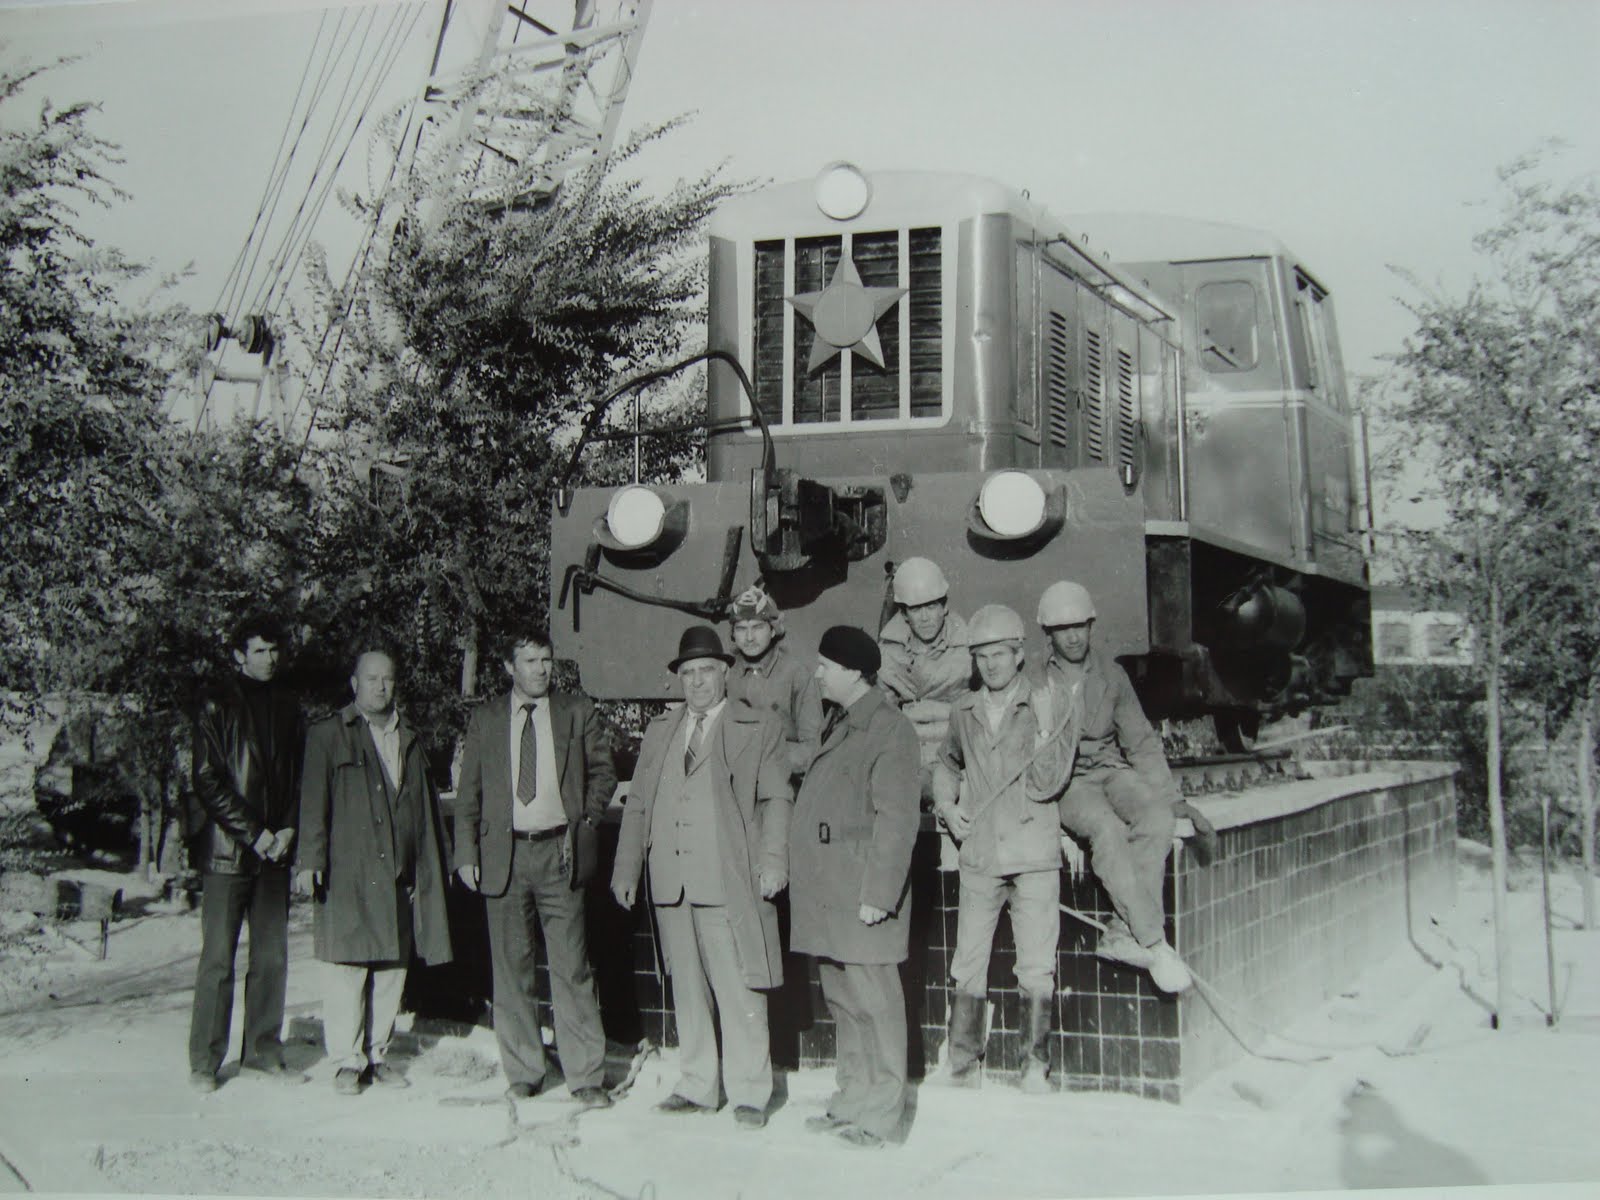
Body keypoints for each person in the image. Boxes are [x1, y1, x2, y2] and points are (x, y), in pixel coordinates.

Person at [610, 626, 793, 1130]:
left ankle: (750, 1093)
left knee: (740, 989)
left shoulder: (757, 727)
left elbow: (776, 798)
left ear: (725, 673)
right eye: (688, 673)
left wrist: (773, 862)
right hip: (672, 884)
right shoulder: (660, 731)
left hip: (727, 881)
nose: (696, 682)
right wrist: (626, 868)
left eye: (706, 671)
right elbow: (639, 802)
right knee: (686, 990)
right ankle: (697, 1085)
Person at [453, 628, 616, 1108]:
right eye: (529, 661)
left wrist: (585, 821)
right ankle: (525, 1071)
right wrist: (466, 855)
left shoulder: (575, 711)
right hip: (503, 857)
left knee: (572, 968)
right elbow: (468, 794)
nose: (541, 669)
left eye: (546, 659)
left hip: (559, 854)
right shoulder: (486, 719)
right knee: (511, 970)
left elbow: (604, 771)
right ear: (509, 667)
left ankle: (586, 1077)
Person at [296, 648, 454, 1095]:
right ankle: (347, 1062)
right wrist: (310, 860)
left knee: (390, 967)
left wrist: (431, 865)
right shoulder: (329, 734)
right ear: (354, 684)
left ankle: (377, 1054)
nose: (381, 687)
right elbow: (313, 803)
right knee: (347, 966)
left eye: (388, 679)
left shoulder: (410, 737)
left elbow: (424, 807)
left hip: (398, 872)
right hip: (349, 870)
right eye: (371, 679)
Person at [931, 604, 1075, 1092]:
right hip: (981, 852)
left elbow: (1051, 780)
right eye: (982, 656)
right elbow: (946, 764)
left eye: (1000, 654)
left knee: (1036, 965)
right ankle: (961, 1064)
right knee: (968, 962)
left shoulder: (1044, 703)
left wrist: (1047, 726)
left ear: (1018, 655)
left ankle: (1034, 1067)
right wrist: (947, 806)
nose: (991, 664)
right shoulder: (964, 710)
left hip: (1033, 852)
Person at [790, 626, 921, 1148]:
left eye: (825, 666)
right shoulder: (841, 721)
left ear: (851, 672)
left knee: (876, 1003)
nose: (818, 674)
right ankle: (852, 1099)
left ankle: (883, 1118)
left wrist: (879, 895)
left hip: (862, 893)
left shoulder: (890, 729)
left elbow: (897, 819)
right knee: (844, 1002)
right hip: (832, 891)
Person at [1035, 582, 1192, 994]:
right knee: (1106, 829)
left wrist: (1171, 798)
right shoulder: (1035, 679)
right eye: (1062, 629)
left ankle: (1124, 930)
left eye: (1080, 626)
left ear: (1091, 626)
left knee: (1156, 817)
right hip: (1068, 781)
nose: (1073, 637)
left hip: (1109, 769)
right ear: (1048, 633)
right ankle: (1154, 942)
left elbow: (1139, 741)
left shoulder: (1112, 675)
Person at [186, 613, 305, 1092]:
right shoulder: (216, 704)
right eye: (259, 651)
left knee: (272, 957)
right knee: (218, 959)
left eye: (274, 650)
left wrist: (289, 827)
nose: (269, 659)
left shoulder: (288, 704)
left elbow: (298, 774)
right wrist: (255, 833)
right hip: (227, 854)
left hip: (275, 854)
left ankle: (262, 1050)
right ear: (239, 655)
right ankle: (205, 1062)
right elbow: (207, 780)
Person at [876, 556, 972, 799]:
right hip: (909, 753)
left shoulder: (968, 647)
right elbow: (882, 716)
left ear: (944, 606)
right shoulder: (889, 652)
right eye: (916, 609)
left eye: (931, 606)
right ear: (904, 614)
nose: (925, 617)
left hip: (959, 754)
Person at [725, 583, 823, 782]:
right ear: (733, 634)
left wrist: (762, 756)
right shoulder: (727, 674)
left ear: (773, 630)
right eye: (741, 629)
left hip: (784, 781)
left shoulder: (796, 674)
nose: (749, 637)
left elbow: (813, 750)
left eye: (758, 627)